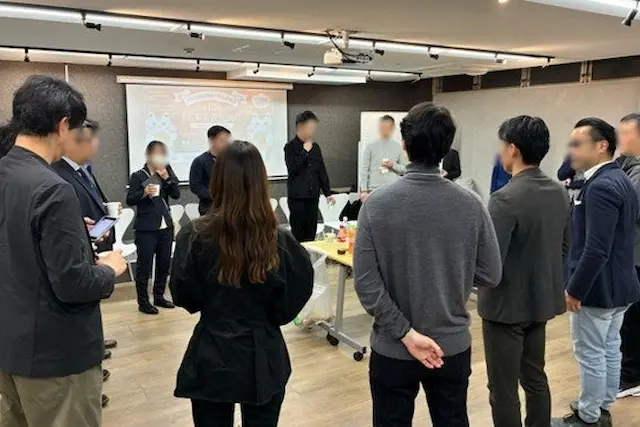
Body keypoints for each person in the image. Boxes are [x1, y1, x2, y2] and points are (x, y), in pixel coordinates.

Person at [354, 102, 502, 427]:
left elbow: (366, 285)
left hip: (393, 348)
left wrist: (406, 333)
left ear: (404, 146)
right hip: (451, 346)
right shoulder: (472, 205)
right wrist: (453, 269)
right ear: (446, 149)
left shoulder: (376, 205)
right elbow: (491, 273)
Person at [0, 75, 127, 427]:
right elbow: (74, 283)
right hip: (55, 356)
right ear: (62, 125)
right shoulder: (53, 189)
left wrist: (71, 230)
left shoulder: (8, 172)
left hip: (10, 345)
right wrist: (110, 268)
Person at [170, 140, 313, 427]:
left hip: (212, 351)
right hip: (262, 353)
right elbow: (294, 297)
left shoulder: (194, 235)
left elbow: (184, 295)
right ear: (261, 182)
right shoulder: (279, 241)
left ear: (217, 181)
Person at [478, 116, 571, 427]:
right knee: (535, 377)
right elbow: (564, 247)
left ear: (513, 149)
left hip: (505, 308)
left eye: (502, 146)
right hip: (541, 301)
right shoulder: (559, 192)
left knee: (502, 388)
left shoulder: (504, 198)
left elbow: (490, 264)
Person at [551, 118, 640, 427]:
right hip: (621, 284)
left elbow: (596, 249)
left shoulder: (601, 186)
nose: (571, 151)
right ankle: (601, 406)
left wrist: (575, 288)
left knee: (590, 352)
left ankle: (589, 416)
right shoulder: (619, 178)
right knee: (610, 348)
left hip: (598, 288)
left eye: (578, 144)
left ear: (601, 146)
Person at [52, 119, 119, 407]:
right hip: (77, 257)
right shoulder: (57, 174)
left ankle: (94, 361)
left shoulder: (84, 171)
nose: (94, 146)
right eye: (89, 140)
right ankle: (86, 382)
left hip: (91, 244)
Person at [126, 141, 181, 315]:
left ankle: (159, 296)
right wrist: (144, 193)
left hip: (166, 226)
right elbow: (130, 199)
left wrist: (167, 179)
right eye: (157, 153)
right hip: (146, 228)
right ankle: (143, 302)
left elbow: (176, 194)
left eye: (163, 153)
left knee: (164, 264)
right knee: (144, 266)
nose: (160, 157)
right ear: (149, 155)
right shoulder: (138, 175)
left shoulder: (167, 170)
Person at [615, 113, 640, 399]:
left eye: (625, 133)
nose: (619, 139)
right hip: (632, 254)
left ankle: (631, 377)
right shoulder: (627, 167)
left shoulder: (637, 172)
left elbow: (629, 209)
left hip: (635, 256)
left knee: (632, 319)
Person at [284, 110, 335, 242]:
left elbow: (321, 170)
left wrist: (328, 193)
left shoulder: (315, 147)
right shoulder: (290, 147)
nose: (313, 131)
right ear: (300, 126)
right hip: (297, 198)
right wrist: (304, 152)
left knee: (311, 232)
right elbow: (292, 168)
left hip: (313, 197)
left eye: (314, 127)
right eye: (310, 127)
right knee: (298, 234)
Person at [360, 115, 407, 200]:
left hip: (393, 189)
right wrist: (363, 190)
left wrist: (393, 165)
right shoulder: (370, 146)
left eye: (387, 127)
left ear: (392, 128)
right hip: (373, 190)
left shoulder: (397, 147)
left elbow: (404, 170)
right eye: (382, 127)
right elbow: (364, 169)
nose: (384, 130)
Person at [189, 125, 231, 215]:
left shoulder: (231, 160)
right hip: (209, 208)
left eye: (227, 141)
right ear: (212, 140)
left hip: (230, 208)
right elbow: (195, 186)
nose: (226, 144)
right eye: (222, 141)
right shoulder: (199, 161)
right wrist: (215, 196)